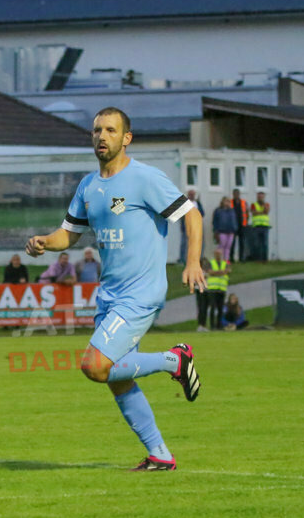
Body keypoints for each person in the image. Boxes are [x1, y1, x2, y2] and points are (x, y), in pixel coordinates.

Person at [25, 106, 205, 471]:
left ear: (127, 138)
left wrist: (193, 261)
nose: (101, 137)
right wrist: (46, 240)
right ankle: (160, 455)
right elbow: (69, 234)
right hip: (110, 295)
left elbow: (191, 213)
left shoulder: (144, 179)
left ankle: (175, 360)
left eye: (110, 130)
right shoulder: (89, 186)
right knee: (114, 377)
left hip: (141, 293)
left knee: (94, 365)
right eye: (96, 130)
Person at [205, 248, 230, 331]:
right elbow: (210, 272)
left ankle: (219, 325)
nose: (218, 255)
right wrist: (221, 272)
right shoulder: (210, 263)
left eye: (219, 254)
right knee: (212, 308)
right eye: (217, 254)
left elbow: (228, 271)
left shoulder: (225, 263)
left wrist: (216, 273)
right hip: (212, 289)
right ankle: (212, 326)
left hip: (221, 289)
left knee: (220, 308)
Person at [178, 189, 204, 264]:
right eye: (190, 194)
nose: (192, 196)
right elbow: (180, 214)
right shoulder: (184, 203)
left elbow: (202, 213)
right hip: (187, 225)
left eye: (193, 194)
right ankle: (182, 259)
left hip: (196, 225)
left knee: (197, 242)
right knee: (184, 243)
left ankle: (196, 259)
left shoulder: (197, 203)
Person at [212, 196, 237, 262]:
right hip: (221, 231)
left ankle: (226, 260)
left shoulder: (232, 210)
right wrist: (215, 231)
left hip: (231, 231)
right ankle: (218, 260)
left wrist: (234, 228)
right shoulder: (218, 210)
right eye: (226, 201)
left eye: (228, 201)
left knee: (228, 247)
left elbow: (234, 220)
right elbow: (215, 221)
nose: (227, 203)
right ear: (222, 202)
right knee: (221, 246)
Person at [250, 191, 271, 261]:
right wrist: (262, 212)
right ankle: (257, 259)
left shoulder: (267, 204)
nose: (260, 198)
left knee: (265, 244)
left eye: (262, 197)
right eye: (259, 197)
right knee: (257, 243)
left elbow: (267, 211)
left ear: (264, 197)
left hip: (265, 226)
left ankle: (265, 259)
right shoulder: (253, 204)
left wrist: (259, 211)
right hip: (256, 226)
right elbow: (253, 213)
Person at [231, 188, 251, 262]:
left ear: (239, 194)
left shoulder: (243, 202)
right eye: (235, 194)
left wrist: (246, 221)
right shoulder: (230, 202)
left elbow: (247, 212)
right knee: (232, 243)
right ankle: (231, 258)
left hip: (242, 225)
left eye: (237, 194)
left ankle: (241, 258)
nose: (236, 195)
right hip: (233, 225)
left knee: (242, 242)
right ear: (233, 194)